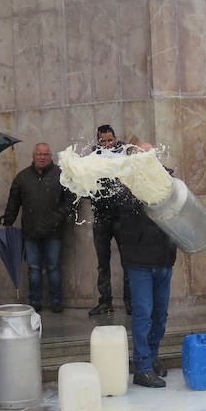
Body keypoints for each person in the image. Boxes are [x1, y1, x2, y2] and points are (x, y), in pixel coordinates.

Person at [119, 144, 177, 388]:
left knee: (160, 314)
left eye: (149, 154)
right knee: (143, 314)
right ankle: (142, 366)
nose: (145, 158)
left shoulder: (167, 178)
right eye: (140, 154)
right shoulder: (124, 182)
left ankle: (153, 357)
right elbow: (121, 210)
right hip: (139, 259)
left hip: (164, 256)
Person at [2, 143, 75, 313]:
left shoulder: (61, 175)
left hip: (54, 231)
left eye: (46, 154)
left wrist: (58, 217)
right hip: (31, 232)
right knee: (33, 270)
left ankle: (56, 302)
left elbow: (71, 200)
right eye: (39, 154)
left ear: (51, 156)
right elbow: (13, 202)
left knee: (54, 268)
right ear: (33, 156)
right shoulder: (22, 177)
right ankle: (34, 303)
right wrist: (7, 221)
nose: (42, 157)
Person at [89, 124, 131, 316]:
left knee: (128, 261)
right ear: (98, 141)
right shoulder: (92, 159)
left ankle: (130, 302)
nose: (107, 144)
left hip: (122, 216)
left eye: (110, 140)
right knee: (102, 262)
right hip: (101, 216)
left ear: (116, 139)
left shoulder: (124, 155)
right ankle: (105, 301)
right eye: (103, 141)